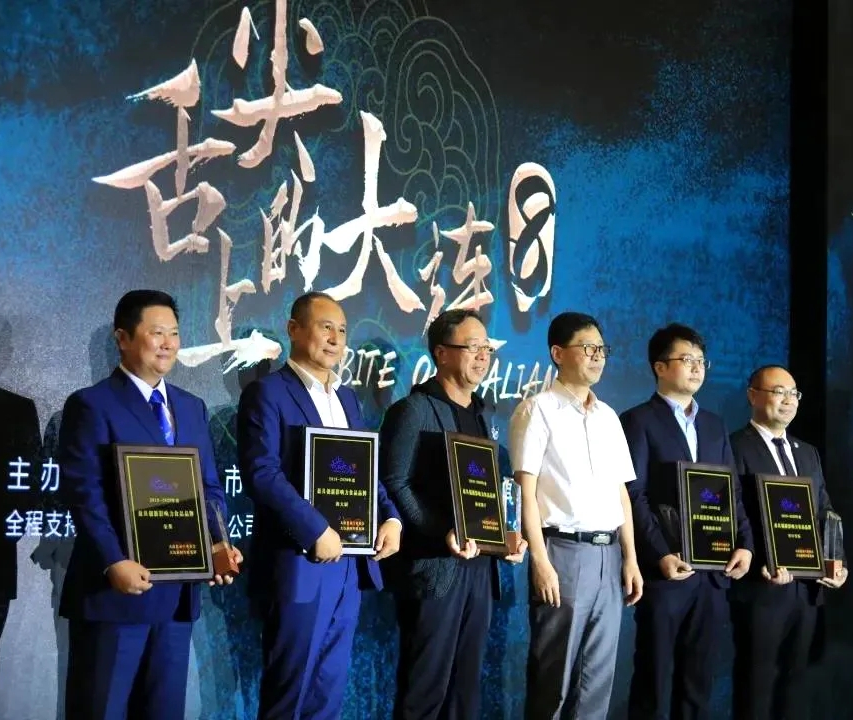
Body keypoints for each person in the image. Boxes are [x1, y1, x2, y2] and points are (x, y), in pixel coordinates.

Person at [58, 289, 241, 720]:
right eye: (156, 332)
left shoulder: (191, 408)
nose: (168, 344)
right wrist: (113, 560)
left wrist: (217, 543)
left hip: (177, 596)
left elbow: (209, 489)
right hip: (116, 593)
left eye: (174, 334)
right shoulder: (92, 404)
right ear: (123, 338)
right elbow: (84, 494)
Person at [236, 291, 402, 720]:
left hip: (349, 564)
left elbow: (364, 468)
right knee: (288, 693)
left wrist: (390, 517)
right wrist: (316, 530)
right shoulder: (267, 393)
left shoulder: (346, 399)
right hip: (299, 563)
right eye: (325, 327)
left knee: (328, 691)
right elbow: (262, 474)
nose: (335, 338)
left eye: (342, 330)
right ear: (294, 329)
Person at [380, 308, 527, 720]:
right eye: (472, 347)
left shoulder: (484, 415)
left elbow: (484, 493)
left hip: (480, 570)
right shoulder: (414, 410)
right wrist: (441, 531)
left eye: (487, 348)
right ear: (442, 353)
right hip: (436, 570)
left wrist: (505, 537)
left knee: (465, 693)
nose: (482, 356)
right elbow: (394, 483)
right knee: (424, 693)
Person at [509, 312, 643, 720]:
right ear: (558, 353)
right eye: (588, 348)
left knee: (597, 683)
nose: (598, 356)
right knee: (554, 679)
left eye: (602, 349)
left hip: (608, 556)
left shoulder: (608, 417)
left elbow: (621, 495)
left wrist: (631, 558)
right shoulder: (537, 410)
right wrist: (540, 561)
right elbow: (526, 493)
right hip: (563, 553)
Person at [620, 322, 754, 720]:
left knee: (698, 684)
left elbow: (731, 491)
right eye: (686, 359)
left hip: (712, 574)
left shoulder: (714, 425)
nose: (697, 367)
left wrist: (745, 543)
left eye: (701, 361)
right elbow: (634, 495)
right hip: (666, 572)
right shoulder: (638, 420)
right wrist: (660, 554)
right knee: (654, 680)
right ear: (660, 367)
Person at [729, 365, 848, 720]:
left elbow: (825, 510)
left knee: (796, 688)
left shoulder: (807, 452)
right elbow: (733, 512)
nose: (788, 400)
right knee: (757, 687)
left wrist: (836, 560)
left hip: (807, 589)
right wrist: (761, 560)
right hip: (762, 589)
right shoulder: (733, 447)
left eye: (793, 393)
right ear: (752, 395)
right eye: (778, 391)